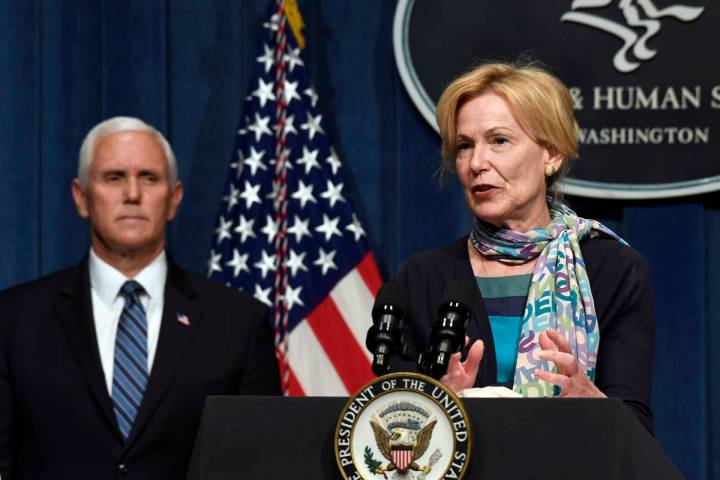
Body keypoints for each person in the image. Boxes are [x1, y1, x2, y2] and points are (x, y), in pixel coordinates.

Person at [0, 117, 281, 479]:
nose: (132, 194)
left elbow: (260, 466)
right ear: (81, 197)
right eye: (114, 177)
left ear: (174, 199)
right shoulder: (14, 321)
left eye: (149, 178)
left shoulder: (238, 324)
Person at [392, 62, 655, 432]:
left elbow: (636, 428)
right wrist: (434, 403)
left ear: (552, 155)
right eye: (465, 146)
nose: (477, 163)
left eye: (499, 140)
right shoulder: (422, 278)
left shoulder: (612, 270)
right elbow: (393, 433)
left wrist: (596, 408)